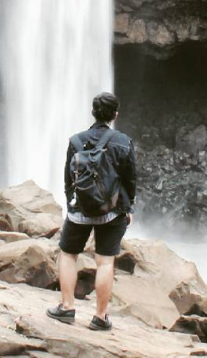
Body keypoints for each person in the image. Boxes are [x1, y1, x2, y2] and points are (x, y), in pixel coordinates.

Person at [47, 91, 137, 331]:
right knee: (105, 262)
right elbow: (130, 180)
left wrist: (71, 204)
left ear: (92, 112)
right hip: (112, 211)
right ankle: (100, 316)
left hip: (80, 210)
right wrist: (128, 207)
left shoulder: (76, 141)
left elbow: (68, 178)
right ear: (115, 114)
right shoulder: (123, 142)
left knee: (68, 254)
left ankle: (66, 307)